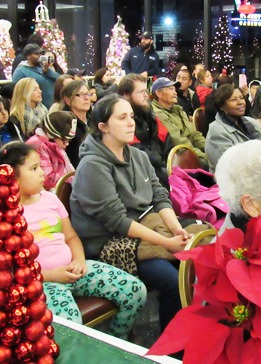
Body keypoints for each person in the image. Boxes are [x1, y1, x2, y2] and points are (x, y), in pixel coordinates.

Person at [70, 94, 202, 332]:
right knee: (173, 280)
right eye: (122, 117)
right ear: (103, 127)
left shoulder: (138, 156)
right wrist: (167, 243)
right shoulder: (92, 166)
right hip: (108, 243)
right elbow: (117, 220)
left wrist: (176, 230)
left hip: (142, 227)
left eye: (131, 116)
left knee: (194, 258)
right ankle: (170, 349)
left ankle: (191, 334)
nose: (131, 122)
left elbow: (160, 196)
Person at [0, 142, 147, 340]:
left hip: (75, 269)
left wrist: (79, 260)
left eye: (40, 166)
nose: (42, 173)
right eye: (34, 168)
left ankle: (115, 341)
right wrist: (51, 275)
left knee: (135, 291)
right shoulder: (3, 216)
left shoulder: (49, 199)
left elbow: (71, 236)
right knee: (72, 327)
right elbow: (8, 271)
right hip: (42, 283)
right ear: (12, 177)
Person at [118, 73, 172, 188]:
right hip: (141, 171)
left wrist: (170, 164)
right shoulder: (121, 119)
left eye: (146, 91)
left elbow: (166, 138)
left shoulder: (148, 111)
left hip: (158, 164)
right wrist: (162, 165)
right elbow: (135, 150)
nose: (146, 95)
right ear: (126, 95)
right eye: (140, 92)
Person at [205, 84, 261, 172]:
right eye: (234, 100)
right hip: (232, 181)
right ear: (221, 106)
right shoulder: (217, 131)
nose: (240, 102)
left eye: (241, 98)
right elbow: (231, 167)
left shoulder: (252, 122)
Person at [151, 77, 207, 165]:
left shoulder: (178, 109)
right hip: (179, 157)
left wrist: (209, 149)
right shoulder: (157, 114)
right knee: (207, 164)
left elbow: (194, 134)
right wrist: (205, 157)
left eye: (174, 89)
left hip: (190, 152)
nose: (175, 92)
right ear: (159, 93)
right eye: (170, 89)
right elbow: (178, 142)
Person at [26, 111, 76, 190]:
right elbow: (48, 180)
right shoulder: (37, 145)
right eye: (64, 140)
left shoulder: (57, 145)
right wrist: (62, 166)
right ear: (52, 134)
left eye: (69, 140)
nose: (67, 144)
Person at [12, 43, 59, 108]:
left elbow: (59, 79)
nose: (40, 56)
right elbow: (18, 93)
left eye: (41, 54)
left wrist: (47, 70)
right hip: (35, 109)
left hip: (51, 107)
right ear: (28, 56)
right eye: (36, 54)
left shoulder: (43, 67)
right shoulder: (20, 71)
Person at [61, 80, 91, 168]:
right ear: (67, 100)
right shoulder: (65, 125)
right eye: (81, 95)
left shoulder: (94, 120)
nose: (86, 98)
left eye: (88, 94)